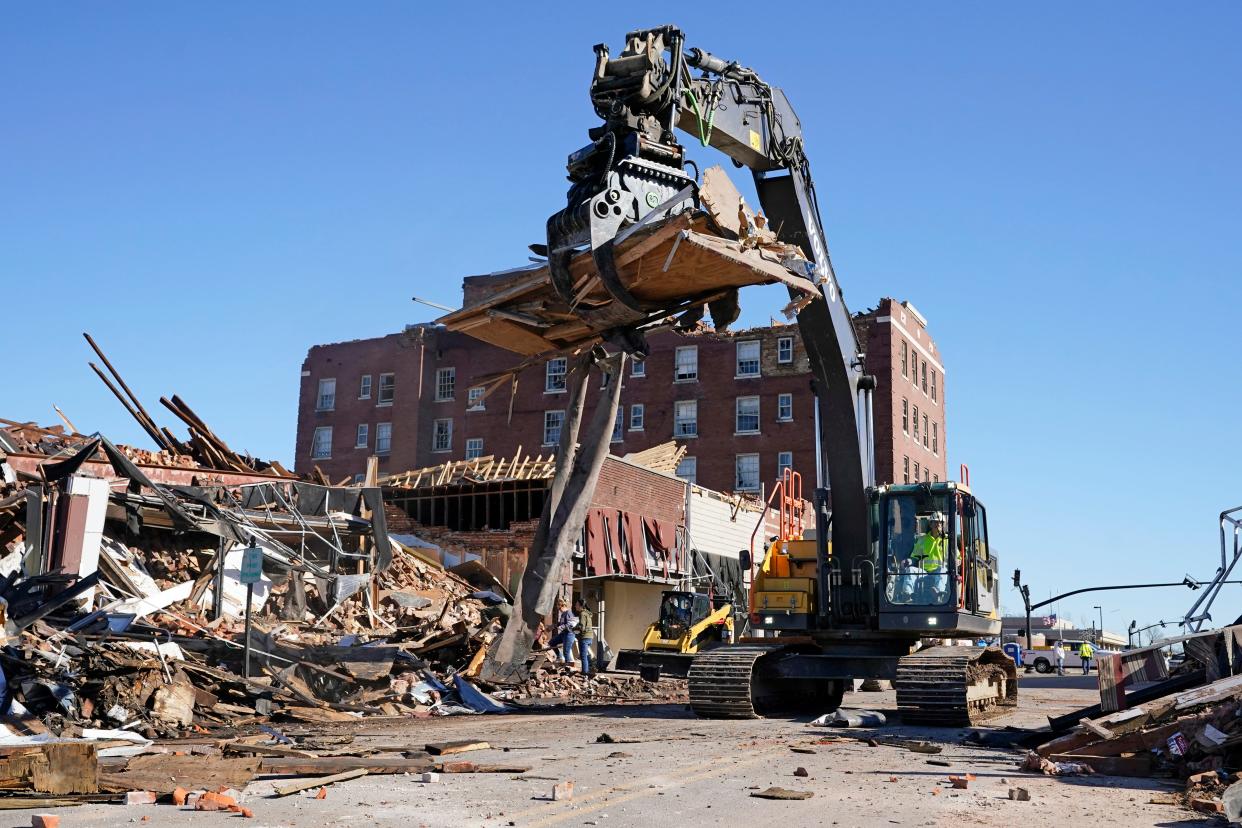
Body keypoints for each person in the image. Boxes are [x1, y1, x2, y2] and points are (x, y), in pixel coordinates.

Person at [911, 512, 948, 603]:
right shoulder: (922, 540)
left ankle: (938, 593)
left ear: (943, 525)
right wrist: (908, 561)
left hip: (939, 573)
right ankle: (907, 595)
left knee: (943, 569)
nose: (938, 524)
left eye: (940, 522)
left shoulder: (948, 540)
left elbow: (958, 558)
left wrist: (958, 561)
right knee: (910, 570)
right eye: (935, 522)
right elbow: (914, 557)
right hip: (923, 572)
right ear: (930, 524)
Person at [545, 597, 578, 667]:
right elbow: (562, 623)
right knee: (552, 643)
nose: (559, 610)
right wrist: (553, 626)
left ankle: (568, 666)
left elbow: (572, 624)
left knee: (566, 651)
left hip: (569, 634)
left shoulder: (569, 613)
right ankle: (560, 657)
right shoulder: (563, 614)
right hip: (563, 633)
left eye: (559, 608)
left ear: (562, 606)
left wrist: (560, 627)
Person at [573, 596, 595, 676]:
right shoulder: (587, 613)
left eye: (576, 605)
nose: (575, 606)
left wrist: (574, 628)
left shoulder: (582, 614)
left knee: (583, 655)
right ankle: (590, 669)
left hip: (584, 637)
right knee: (586, 654)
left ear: (581, 606)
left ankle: (585, 672)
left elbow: (582, 627)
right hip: (590, 637)